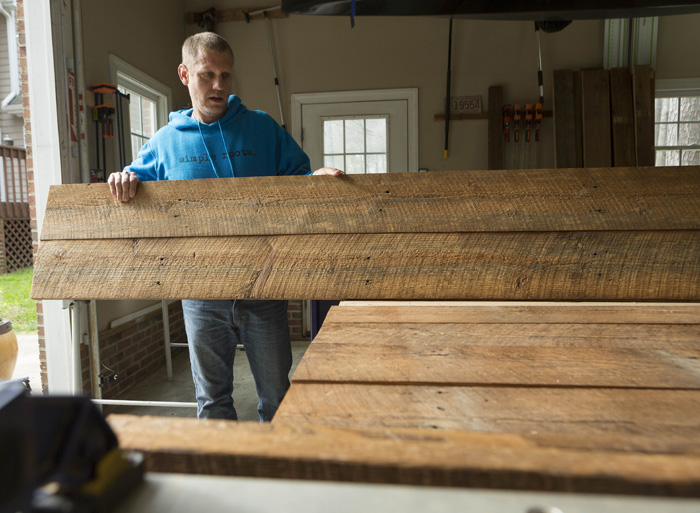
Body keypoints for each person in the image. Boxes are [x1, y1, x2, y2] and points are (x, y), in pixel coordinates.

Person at [108, 32, 342, 422]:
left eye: (226, 75)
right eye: (207, 75)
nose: (218, 85)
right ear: (184, 74)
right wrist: (123, 178)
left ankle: (280, 473)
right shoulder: (165, 142)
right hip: (200, 293)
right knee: (212, 402)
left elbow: (300, 180)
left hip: (264, 287)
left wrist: (316, 176)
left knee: (278, 397)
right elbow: (134, 180)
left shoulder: (262, 128)